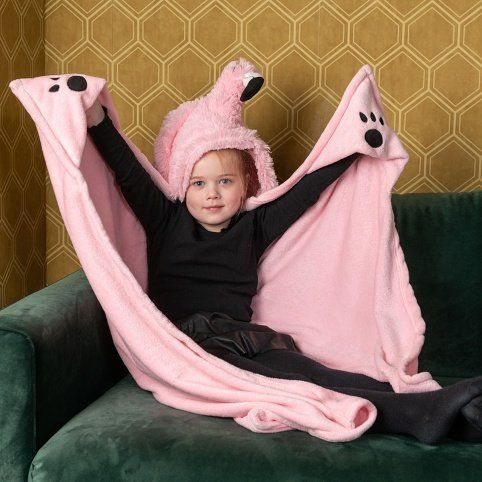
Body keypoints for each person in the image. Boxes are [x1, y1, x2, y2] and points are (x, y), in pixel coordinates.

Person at [85, 99, 482, 445]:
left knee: (314, 374)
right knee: (284, 387)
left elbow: (306, 190)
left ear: (246, 184)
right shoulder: (165, 219)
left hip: (242, 336)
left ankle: (434, 407)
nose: (212, 193)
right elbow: (128, 172)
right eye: (199, 183)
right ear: (182, 185)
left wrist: (354, 147)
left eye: (225, 181)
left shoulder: (254, 226)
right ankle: (422, 416)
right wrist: (97, 121)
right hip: (188, 342)